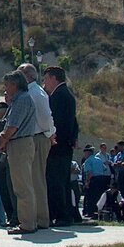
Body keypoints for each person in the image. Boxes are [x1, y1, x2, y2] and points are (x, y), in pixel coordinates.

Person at [0, 72, 41, 235]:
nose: (5, 89)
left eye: (7, 85)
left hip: (20, 144)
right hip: (20, 144)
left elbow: (12, 126)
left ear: (15, 84)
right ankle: (29, 221)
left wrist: (2, 139)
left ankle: (27, 223)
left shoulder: (22, 100)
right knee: (23, 185)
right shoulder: (22, 99)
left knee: (22, 187)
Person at [18, 64, 53, 231]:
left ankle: (41, 218)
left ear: (28, 76)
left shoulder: (36, 93)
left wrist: (48, 133)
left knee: (37, 179)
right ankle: (37, 216)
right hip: (35, 137)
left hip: (38, 137)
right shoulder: (31, 92)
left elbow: (45, 117)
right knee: (32, 179)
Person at [42, 66, 79, 226]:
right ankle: (64, 214)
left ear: (53, 78)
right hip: (65, 145)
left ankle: (62, 215)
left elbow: (58, 122)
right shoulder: (66, 94)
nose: (44, 83)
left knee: (56, 181)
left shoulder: (59, 96)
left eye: (46, 79)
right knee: (61, 180)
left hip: (58, 146)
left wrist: (53, 138)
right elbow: (74, 122)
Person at [81, 145, 112, 219]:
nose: (84, 155)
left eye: (85, 153)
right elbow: (104, 169)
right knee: (99, 197)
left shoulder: (88, 161)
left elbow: (89, 173)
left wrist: (87, 183)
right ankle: (99, 213)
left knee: (91, 197)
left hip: (93, 179)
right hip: (101, 179)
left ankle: (92, 213)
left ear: (88, 153)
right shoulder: (98, 159)